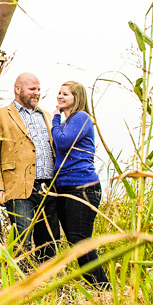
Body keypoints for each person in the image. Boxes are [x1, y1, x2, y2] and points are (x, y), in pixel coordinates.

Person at [0, 73, 59, 262]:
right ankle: (19, 281)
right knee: (22, 239)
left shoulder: (47, 116)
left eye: (39, 89)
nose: (37, 93)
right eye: (32, 89)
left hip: (48, 187)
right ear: (18, 89)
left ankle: (45, 282)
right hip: (18, 186)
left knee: (49, 240)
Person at [51, 80, 110, 289]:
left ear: (77, 98)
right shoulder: (68, 122)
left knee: (80, 239)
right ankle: (96, 287)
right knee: (75, 241)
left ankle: (103, 288)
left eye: (65, 94)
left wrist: (55, 117)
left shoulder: (81, 118)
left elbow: (63, 142)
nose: (60, 96)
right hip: (66, 186)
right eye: (59, 92)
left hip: (83, 186)